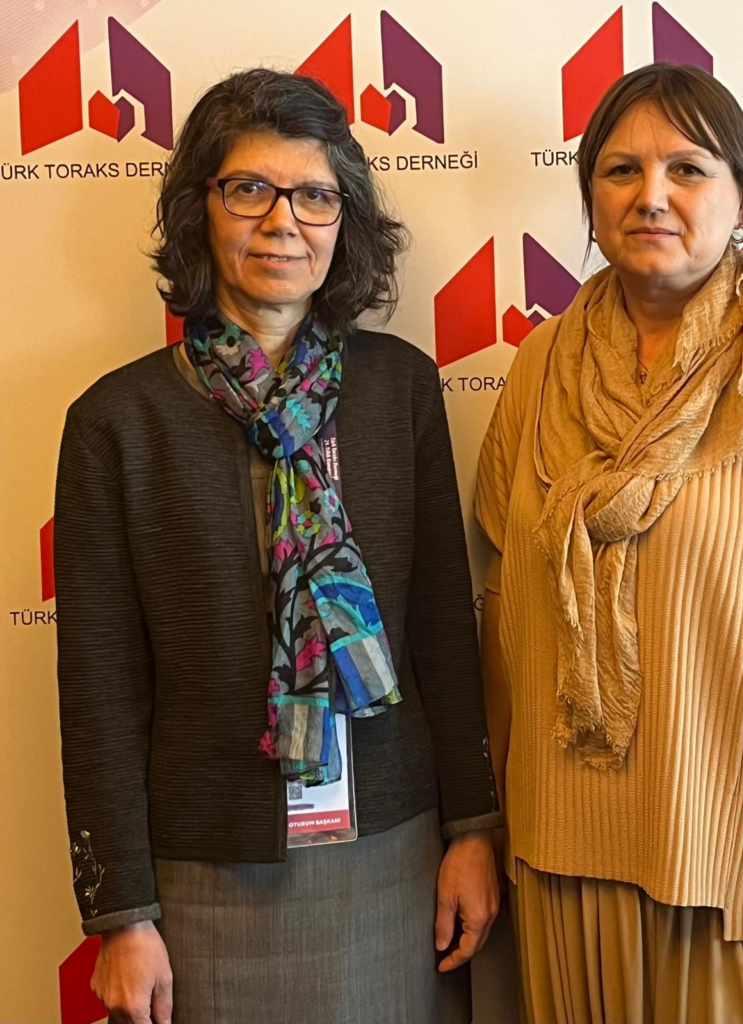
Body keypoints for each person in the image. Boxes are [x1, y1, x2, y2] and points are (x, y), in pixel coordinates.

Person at [55, 68, 501, 1024]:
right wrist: (122, 915)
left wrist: (472, 829)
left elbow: (439, 634)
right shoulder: (117, 421)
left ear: (344, 221)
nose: (280, 222)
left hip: (394, 850)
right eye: (248, 189)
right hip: (209, 874)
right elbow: (98, 682)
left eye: (313, 195)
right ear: (200, 209)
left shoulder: (400, 391)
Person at [476, 63, 743, 1024]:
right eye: (621, 171)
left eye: (686, 169)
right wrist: (488, 820)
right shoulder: (540, 365)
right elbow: (503, 595)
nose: (652, 196)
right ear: (589, 198)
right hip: (561, 849)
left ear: (742, 201)